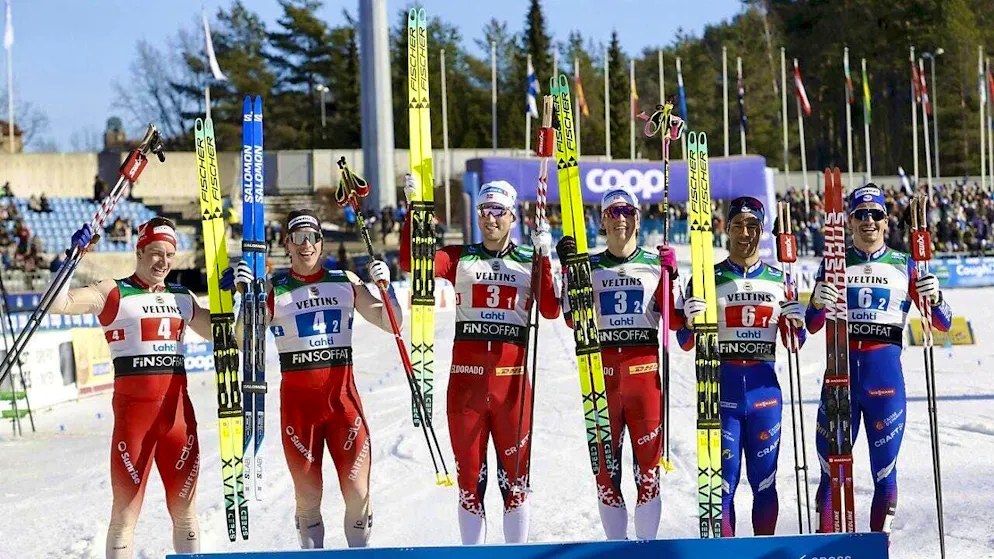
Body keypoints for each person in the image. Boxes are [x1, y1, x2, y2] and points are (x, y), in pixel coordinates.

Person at [222, 208, 400, 549]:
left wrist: (386, 288)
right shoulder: (273, 289)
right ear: (287, 243)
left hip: (343, 408)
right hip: (300, 413)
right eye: (298, 238)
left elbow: (393, 324)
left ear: (321, 243)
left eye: (312, 237)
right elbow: (245, 341)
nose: (306, 245)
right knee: (308, 501)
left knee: (358, 494)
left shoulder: (345, 281)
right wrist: (248, 298)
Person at [399, 180, 559, 545]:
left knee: (515, 485)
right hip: (466, 388)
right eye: (485, 210)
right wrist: (416, 213)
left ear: (513, 216)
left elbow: (550, 310)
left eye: (499, 211)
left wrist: (545, 257)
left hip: (512, 389)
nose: (491, 218)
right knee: (469, 485)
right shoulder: (459, 257)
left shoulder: (527, 260)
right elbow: (412, 262)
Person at [46, 218, 210, 558]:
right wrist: (72, 259)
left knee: (186, 515)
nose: (162, 262)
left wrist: (237, 295)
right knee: (124, 516)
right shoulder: (114, 291)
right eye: (155, 253)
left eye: (169, 254)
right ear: (138, 251)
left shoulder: (182, 297)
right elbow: (56, 303)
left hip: (178, 421)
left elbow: (229, 335)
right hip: (134, 423)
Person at [805, 184, 952, 535]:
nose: (868, 221)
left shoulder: (906, 265)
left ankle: (876, 549)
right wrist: (816, 302)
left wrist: (936, 295)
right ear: (849, 222)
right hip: (839, 381)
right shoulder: (834, 264)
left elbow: (942, 323)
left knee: (884, 474)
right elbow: (811, 326)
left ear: (886, 222)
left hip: (884, 385)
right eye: (860, 214)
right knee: (831, 471)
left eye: (875, 215)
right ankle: (830, 552)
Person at [676, 196, 806, 536]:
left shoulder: (781, 279)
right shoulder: (707, 277)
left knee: (765, 482)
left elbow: (795, 345)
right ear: (726, 228)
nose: (744, 233)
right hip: (723, 394)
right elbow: (684, 342)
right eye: (737, 225)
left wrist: (797, 323)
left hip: (765, 396)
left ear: (761, 231)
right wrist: (689, 322)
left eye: (752, 226)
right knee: (723, 486)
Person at [555, 189, 677, 540]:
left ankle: (646, 548)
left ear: (637, 218)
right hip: (601, 379)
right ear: (602, 221)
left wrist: (673, 277)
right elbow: (570, 319)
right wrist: (569, 272)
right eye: (612, 212)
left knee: (649, 475)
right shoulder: (590, 266)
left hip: (644, 379)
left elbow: (676, 318)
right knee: (606, 476)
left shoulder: (654, 264)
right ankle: (615, 549)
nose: (619, 218)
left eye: (626, 211)